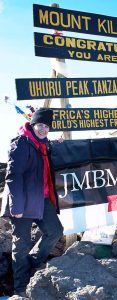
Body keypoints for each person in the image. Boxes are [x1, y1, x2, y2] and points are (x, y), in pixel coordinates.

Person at [0, 108, 64, 297]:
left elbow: (46, 156)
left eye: (47, 126)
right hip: (21, 202)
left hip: (41, 199)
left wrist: (58, 144)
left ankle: (33, 264)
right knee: (21, 245)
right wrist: (16, 207)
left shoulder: (44, 145)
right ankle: (20, 287)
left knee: (55, 231)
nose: (43, 129)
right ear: (33, 124)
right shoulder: (21, 143)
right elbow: (13, 176)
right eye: (40, 125)